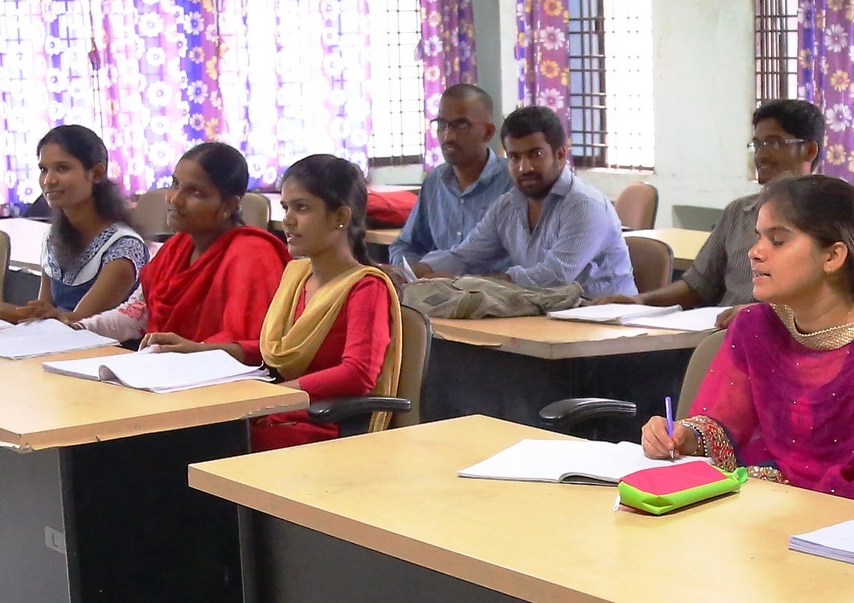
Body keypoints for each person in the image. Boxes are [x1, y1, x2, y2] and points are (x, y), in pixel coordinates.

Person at [640, 175, 854, 507]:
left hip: (842, 535)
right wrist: (683, 437)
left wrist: (781, 488)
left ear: (832, 257)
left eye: (778, 241)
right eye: (758, 237)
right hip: (758, 518)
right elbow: (724, 429)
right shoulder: (755, 326)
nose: (755, 252)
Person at [250, 154, 402, 451]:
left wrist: (277, 395)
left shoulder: (366, 287)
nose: (288, 220)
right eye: (285, 207)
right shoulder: (297, 275)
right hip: (285, 408)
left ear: (341, 218)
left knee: (224, 439)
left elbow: (357, 374)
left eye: (302, 208)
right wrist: (206, 350)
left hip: (325, 421)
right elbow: (280, 346)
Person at [0, 122, 147, 336]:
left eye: (62, 168)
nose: (49, 180)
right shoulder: (54, 237)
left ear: (96, 174)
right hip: (57, 350)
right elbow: (40, 312)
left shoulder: (124, 248)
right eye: (43, 169)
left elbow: (79, 324)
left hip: (102, 357)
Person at [83, 143, 290, 354]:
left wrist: (193, 351)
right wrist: (78, 328)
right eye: (175, 184)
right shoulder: (176, 247)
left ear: (229, 205)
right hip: (167, 370)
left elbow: (258, 347)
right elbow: (136, 316)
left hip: (228, 380)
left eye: (195, 192)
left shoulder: (252, 255)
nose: (175, 199)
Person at [412, 105, 636, 298]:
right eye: (514, 157)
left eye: (535, 155)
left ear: (560, 155)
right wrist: (413, 273)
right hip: (547, 321)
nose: (524, 168)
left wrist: (465, 284)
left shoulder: (584, 205)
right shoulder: (506, 206)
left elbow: (553, 279)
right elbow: (464, 257)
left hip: (609, 331)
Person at [641, 98, 820, 309]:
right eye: (757, 144)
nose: (761, 155)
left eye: (773, 143)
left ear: (808, 151)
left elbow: (831, 300)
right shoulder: (738, 212)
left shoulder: (832, 215)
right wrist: (640, 302)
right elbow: (698, 286)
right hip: (721, 333)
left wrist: (760, 315)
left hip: (785, 337)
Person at [388, 83, 510, 275]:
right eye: (441, 125)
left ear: (488, 132)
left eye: (461, 125)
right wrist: (412, 274)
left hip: (496, 296)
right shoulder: (435, 181)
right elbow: (406, 245)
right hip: (438, 294)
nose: (448, 136)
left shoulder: (512, 182)